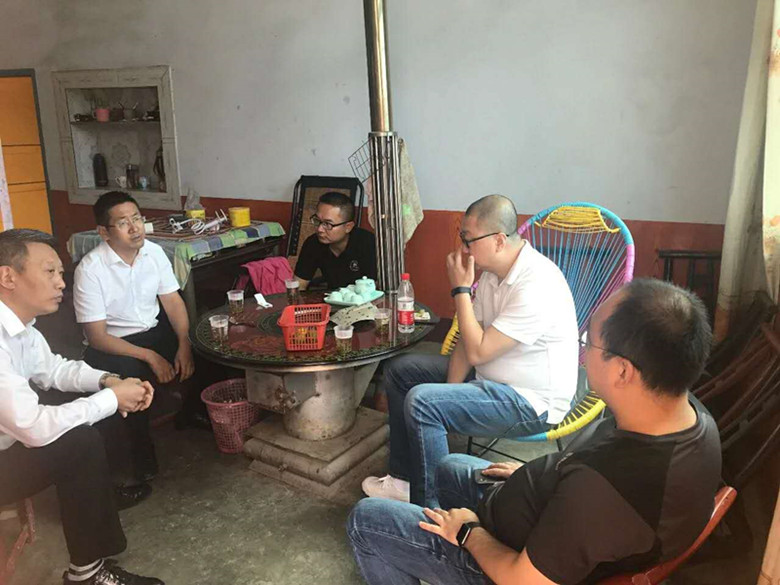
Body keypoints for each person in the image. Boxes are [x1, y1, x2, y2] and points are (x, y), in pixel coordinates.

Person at [348, 278, 722, 585]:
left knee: (367, 520)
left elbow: (523, 579)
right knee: (449, 467)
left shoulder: (604, 492)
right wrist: (541, 476)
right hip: (546, 512)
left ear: (623, 371)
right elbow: (595, 476)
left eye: (589, 342)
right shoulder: (689, 416)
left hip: (509, 564)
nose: (583, 350)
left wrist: (468, 533)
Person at [362, 194, 579, 506]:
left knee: (423, 402)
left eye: (468, 240)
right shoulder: (492, 274)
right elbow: (467, 338)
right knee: (401, 371)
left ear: (499, 240)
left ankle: (433, 506)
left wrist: (461, 289)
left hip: (529, 402)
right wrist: (449, 393)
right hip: (489, 380)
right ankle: (404, 481)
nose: (464, 249)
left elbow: (477, 352)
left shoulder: (537, 283)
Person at [0, 229, 165, 585]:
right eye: (50, 272)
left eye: (61, 273)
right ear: (8, 277)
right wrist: (111, 399)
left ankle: (96, 501)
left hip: (9, 443)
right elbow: (33, 427)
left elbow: (54, 370)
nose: (61, 283)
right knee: (80, 441)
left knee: (89, 414)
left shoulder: (22, 328)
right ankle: (87, 574)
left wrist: (109, 382)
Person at [73, 191, 195, 485]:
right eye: (123, 223)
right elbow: (97, 336)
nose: (134, 228)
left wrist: (185, 343)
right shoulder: (90, 269)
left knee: (204, 346)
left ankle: (192, 413)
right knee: (133, 380)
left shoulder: (153, 252)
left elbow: (172, 301)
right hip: (112, 345)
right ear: (104, 232)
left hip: (152, 331)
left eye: (137, 219)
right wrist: (150, 357)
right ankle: (140, 455)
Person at [294, 191, 376, 290]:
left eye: (328, 224)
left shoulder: (369, 244)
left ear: (348, 227)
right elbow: (299, 285)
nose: (320, 229)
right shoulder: (313, 243)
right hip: (331, 296)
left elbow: (377, 288)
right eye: (317, 221)